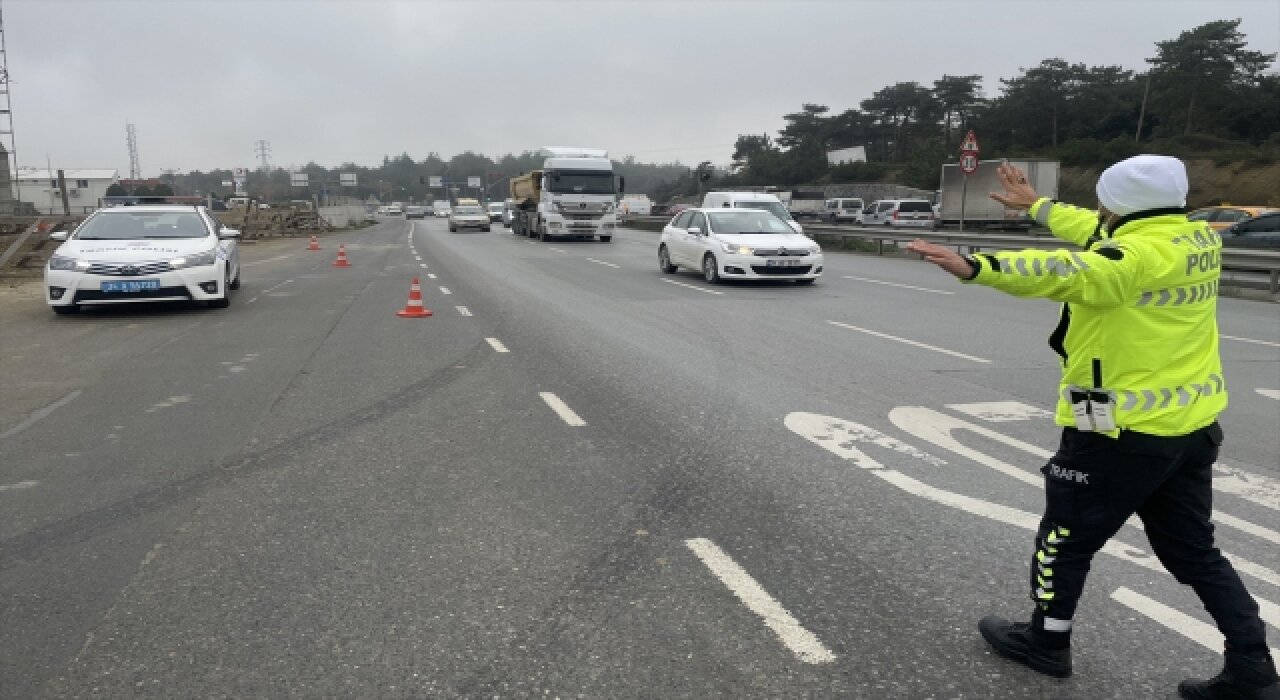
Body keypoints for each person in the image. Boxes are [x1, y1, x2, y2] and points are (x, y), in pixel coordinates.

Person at [906, 155, 1277, 700]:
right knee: (1195, 551)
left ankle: (1046, 642)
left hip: (1118, 431)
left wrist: (978, 267)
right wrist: (1039, 206)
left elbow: (1075, 270)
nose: (1099, 210)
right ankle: (1253, 666)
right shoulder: (1196, 238)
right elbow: (1100, 231)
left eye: (1105, 200)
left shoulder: (1129, 258)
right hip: (1189, 428)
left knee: (1064, 538)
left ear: (1119, 205)